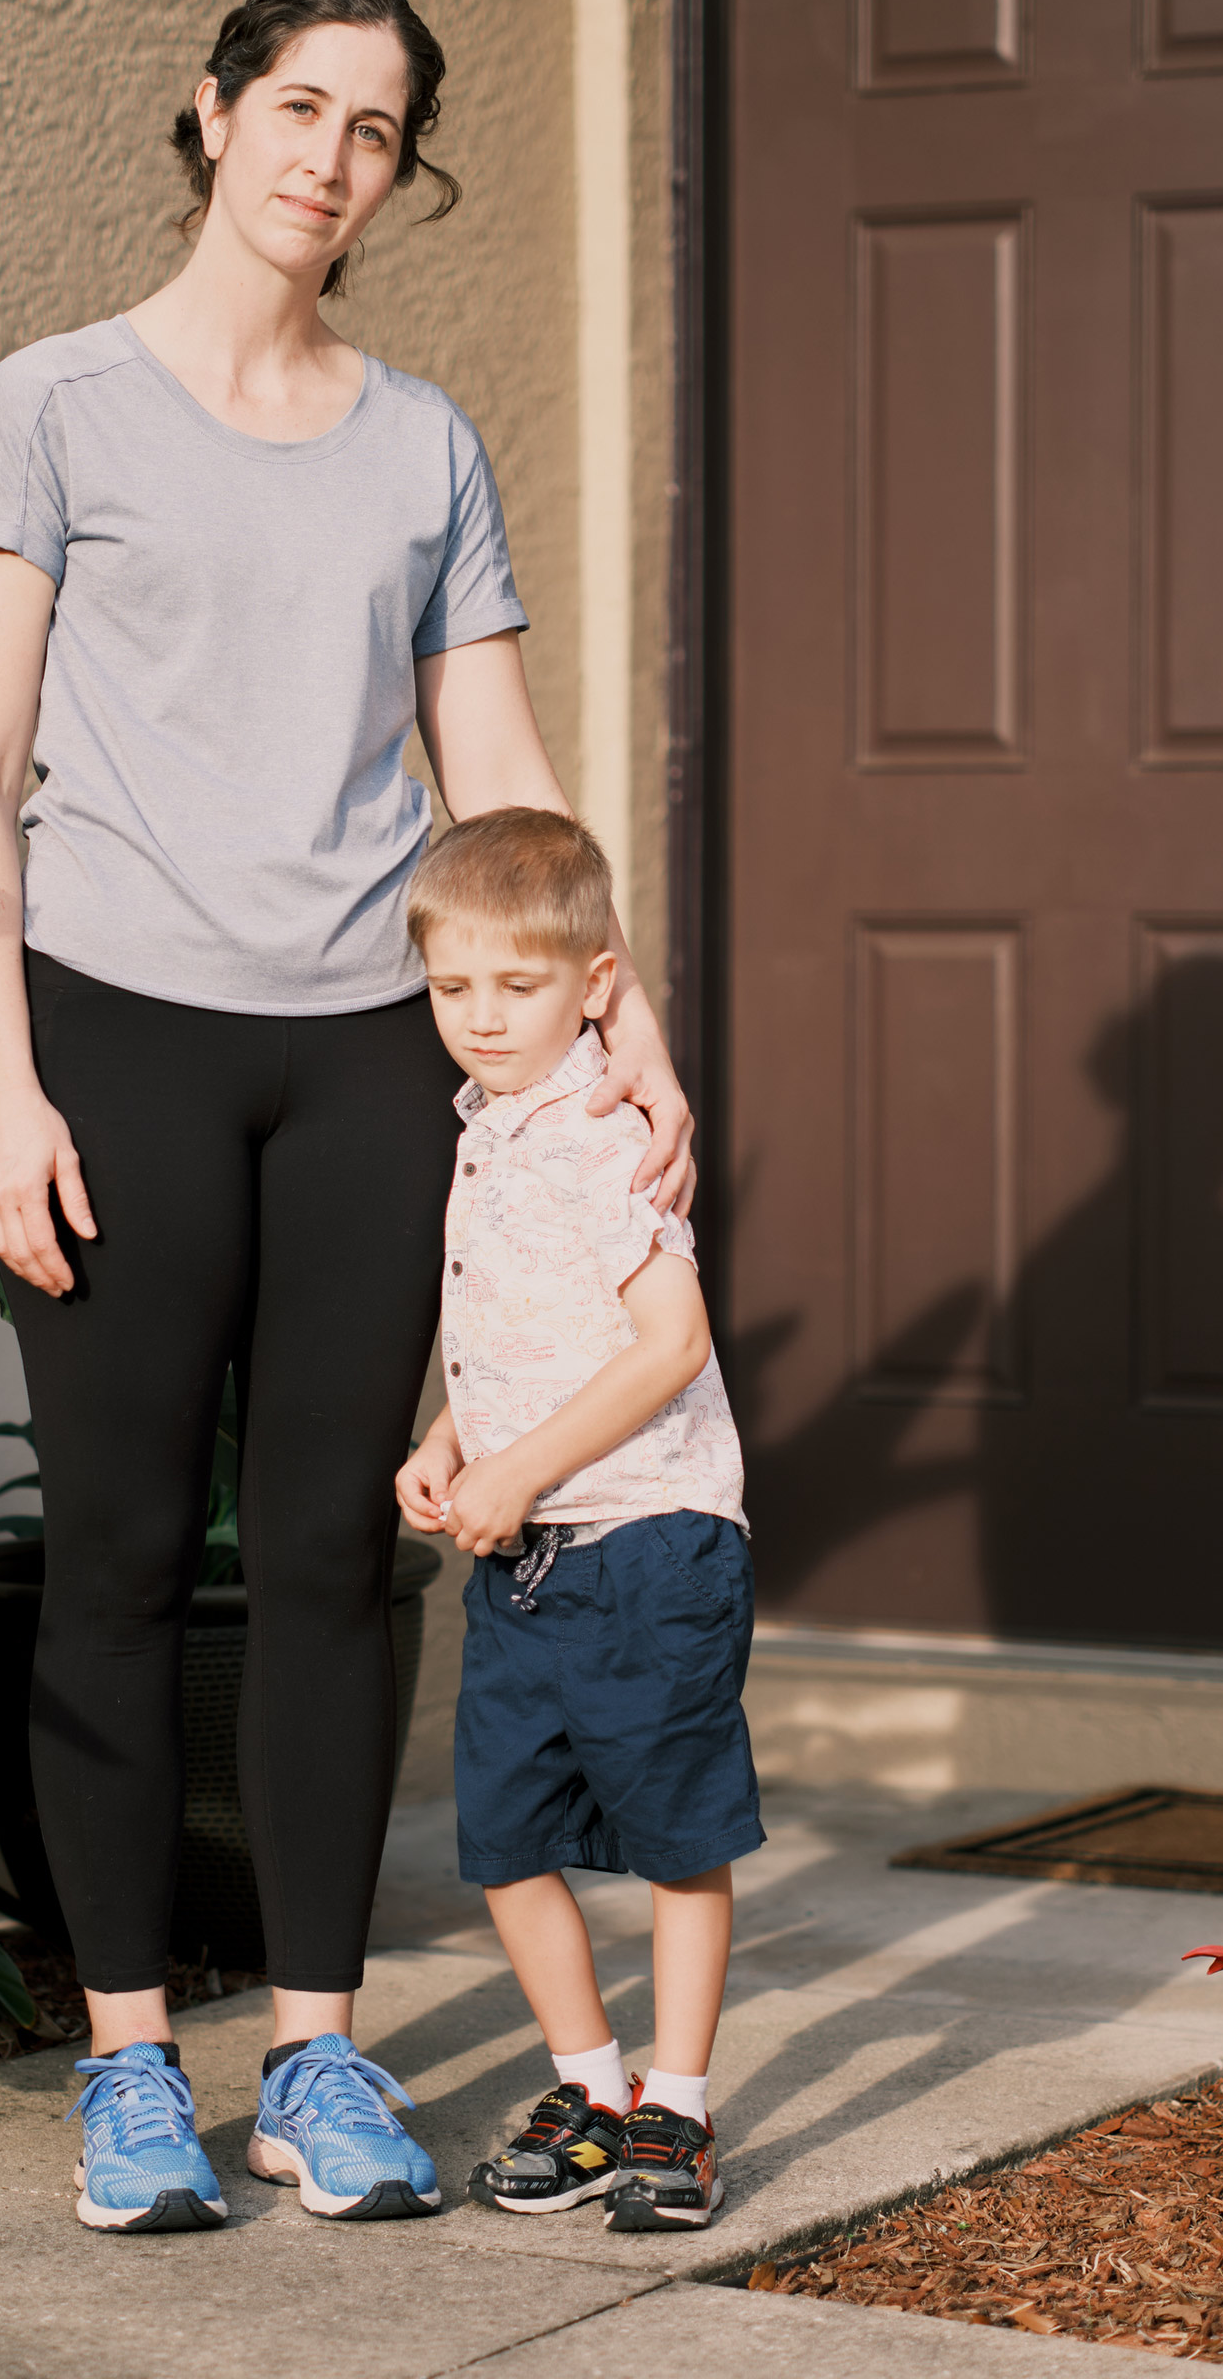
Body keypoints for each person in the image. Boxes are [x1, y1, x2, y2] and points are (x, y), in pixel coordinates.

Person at [0, 0, 694, 2236]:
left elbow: (504, 778)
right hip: (117, 1034)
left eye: (372, 126)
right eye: (295, 102)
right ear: (212, 110)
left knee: (348, 1552)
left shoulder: (423, 442)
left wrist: (623, 1013)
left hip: (369, 1060)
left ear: (392, 174)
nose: (325, 153)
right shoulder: (50, 406)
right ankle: (132, 2064)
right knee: (124, 1557)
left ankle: (322, 2056)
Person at [393, 808, 757, 2235]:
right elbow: (526, 1327)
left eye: (518, 987)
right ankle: (591, 2092)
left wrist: (519, 1468)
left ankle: (680, 2104)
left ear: (595, 985)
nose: (481, 1018)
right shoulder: (489, 1125)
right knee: (503, 1837)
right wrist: (452, 1441)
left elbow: (669, 1343)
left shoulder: (601, 1131)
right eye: (453, 987)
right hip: (532, 1550)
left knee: (676, 1837)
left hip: (650, 1543)